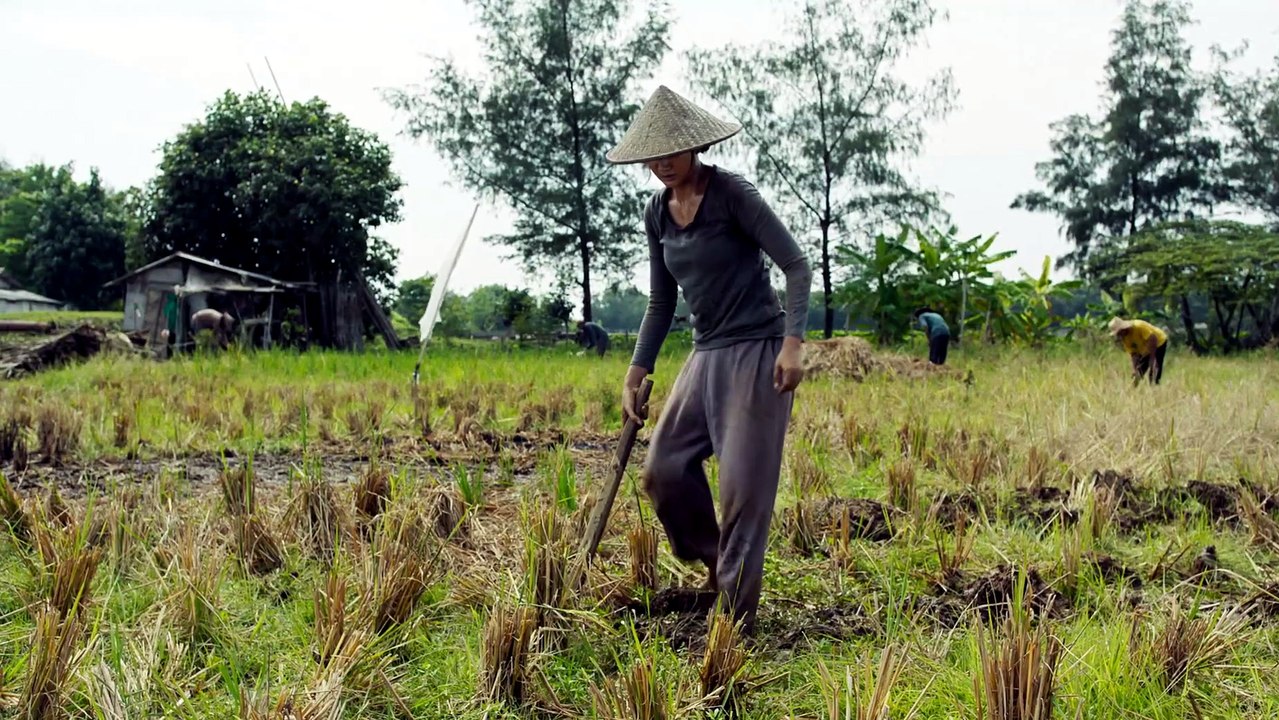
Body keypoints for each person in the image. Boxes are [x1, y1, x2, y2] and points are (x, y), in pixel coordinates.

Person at [607, 85, 812, 632]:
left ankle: (734, 623)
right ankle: (719, 564)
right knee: (664, 470)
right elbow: (661, 301)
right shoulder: (657, 213)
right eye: (653, 157)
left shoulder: (731, 195)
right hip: (705, 353)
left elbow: (796, 266)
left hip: (758, 351)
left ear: (694, 146)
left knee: (743, 490)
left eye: (671, 152)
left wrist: (793, 343)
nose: (663, 165)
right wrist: (636, 371)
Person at [1109, 317, 1168, 385]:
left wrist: (1152, 360)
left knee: (1155, 368)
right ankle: (1134, 387)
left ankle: (1155, 385)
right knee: (1138, 373)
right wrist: (1135, 369)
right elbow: (1134, 354)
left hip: (1158, 342)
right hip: (1144, 348)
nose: (1119, 335)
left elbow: (1153, 339)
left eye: (1119, 332)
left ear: (1123, 329)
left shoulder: (1139, 326)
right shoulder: (1124, 338)